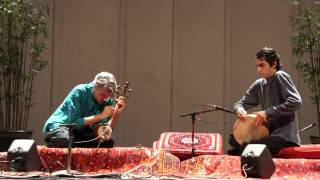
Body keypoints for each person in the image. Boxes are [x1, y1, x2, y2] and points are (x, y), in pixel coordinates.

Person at [228, 47, 302, 156]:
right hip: (270, 137)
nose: (258, 70)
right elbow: (240, 103)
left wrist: (266, 113)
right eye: (257, 66)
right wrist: (240, 109)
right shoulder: (259, 84)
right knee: (233, 140)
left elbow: (296, 102)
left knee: (245, 148)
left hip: (285, 139)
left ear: (273, 64)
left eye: (262, 65)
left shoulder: (280, 76)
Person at [42, 71, 126, 148]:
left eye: (107, 96)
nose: (104, 98)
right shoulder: (79, 91)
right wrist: (101, 116)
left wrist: (117, 113)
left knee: (107, 142)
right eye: (102, 94)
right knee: (65, 140)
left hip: (80, 132)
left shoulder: (107, 99)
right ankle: (55, 140)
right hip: (62, 127)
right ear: (94, 87)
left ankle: (73, 145)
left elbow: (104, 131)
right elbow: (74, 122)